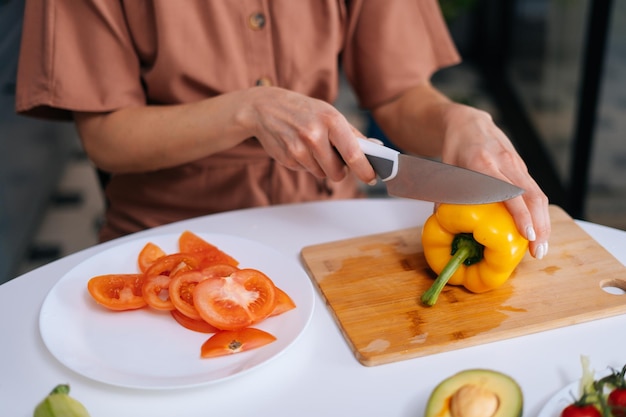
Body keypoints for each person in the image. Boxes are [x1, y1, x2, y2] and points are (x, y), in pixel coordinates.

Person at [15, 0, 549, 259]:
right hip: (166, 240)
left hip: (324, 229)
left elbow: (396, 93)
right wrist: (247, 110)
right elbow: (106, 137)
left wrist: (459, 119)